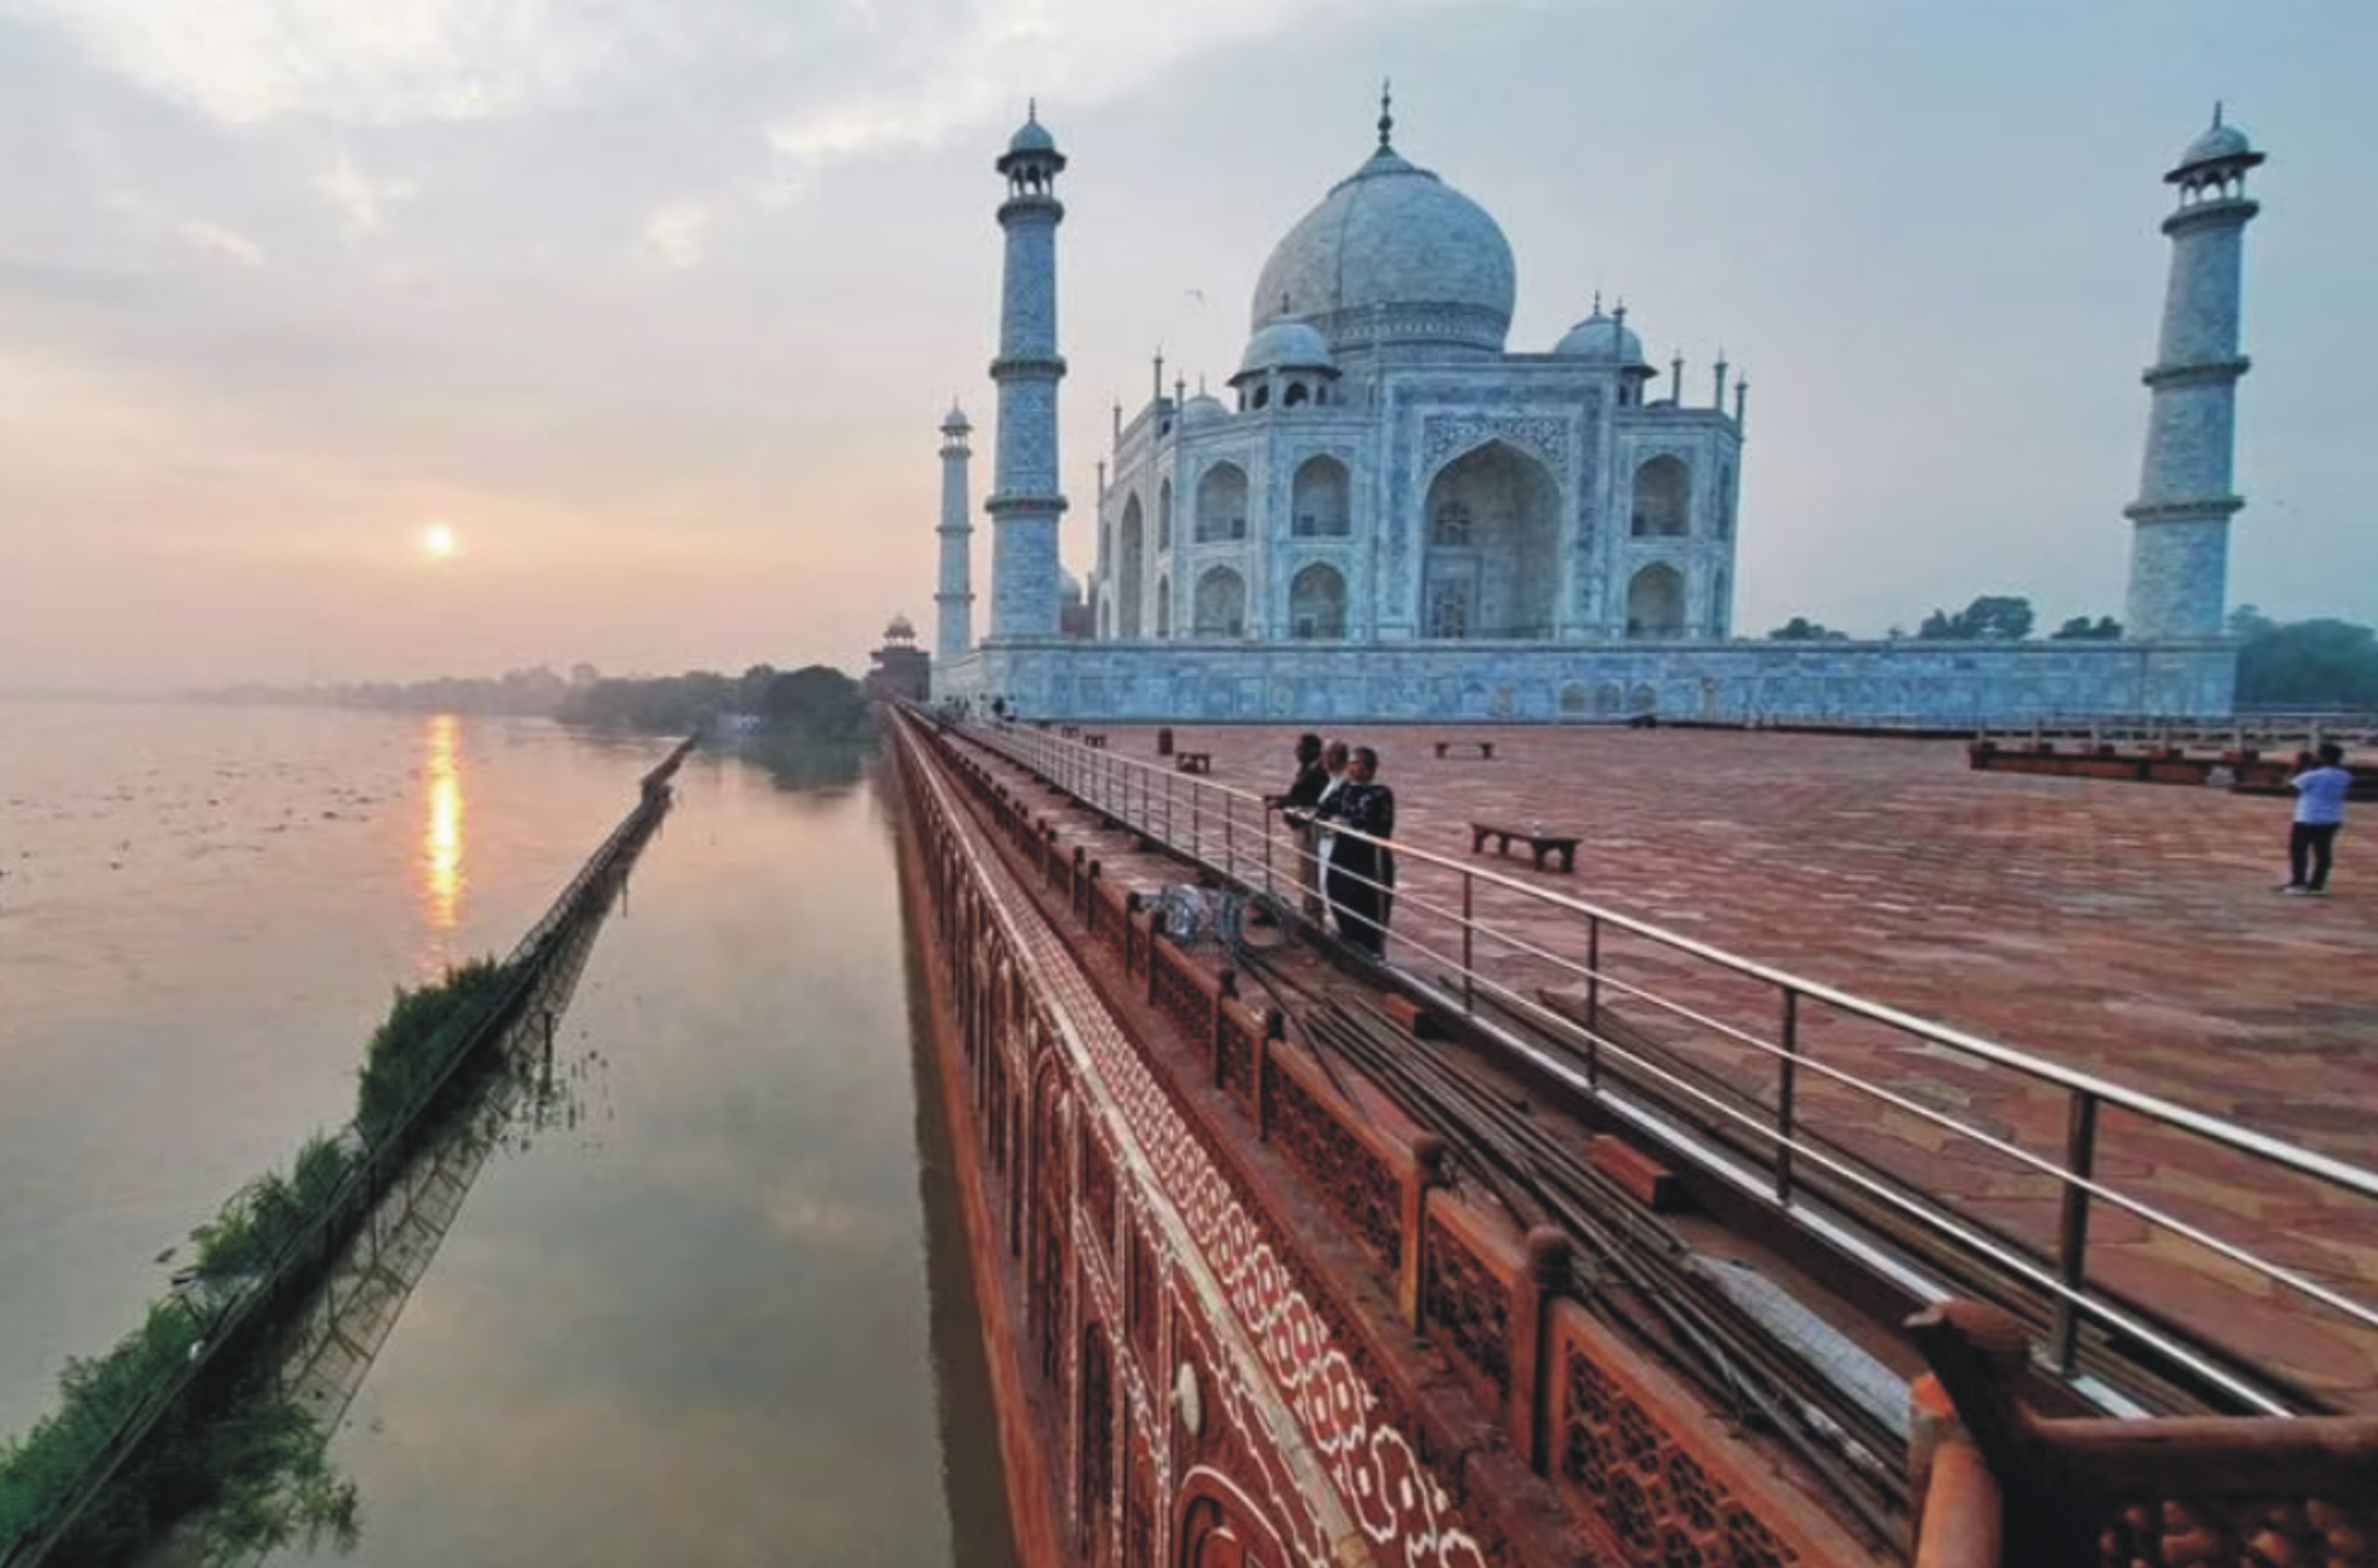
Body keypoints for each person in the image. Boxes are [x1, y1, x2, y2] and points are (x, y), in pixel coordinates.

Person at [1316, 745, 1396, 958]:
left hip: (1369, 858)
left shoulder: (1381, 792)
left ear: (1369, 768)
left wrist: (1349, 823)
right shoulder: (1345, 789)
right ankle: (1348, 942)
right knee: (1337, 894)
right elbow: (1324, 808)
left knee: (1368, 904)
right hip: (1343, 853)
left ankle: (1372, 951)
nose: (1351, 768)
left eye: (1356, 763)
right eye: (1350, 763)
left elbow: (1381, 825)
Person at [2281, 741, 2352, 895]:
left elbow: (2289, 787)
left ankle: (2298, 882)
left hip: (2307, 817)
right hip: (2331, 818)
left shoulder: (2312, 775)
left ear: (2323, 757)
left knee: (2299, 851)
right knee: (2323, 852)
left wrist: (2298, 766)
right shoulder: (2344, 776)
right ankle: (2317, 884)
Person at [1278, 734, 1331, 921]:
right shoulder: (1308, 769)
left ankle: (1313, 914)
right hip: (1301, 828)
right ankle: (1310, 909)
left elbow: (1309, 800)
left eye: (1300, 748)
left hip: (1310, 830)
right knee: (1306, 873)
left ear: (1312, 750)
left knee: (1310, 873)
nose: (1296, 752)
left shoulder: (1317, 772)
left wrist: (1282, 802)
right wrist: (1281, 800)